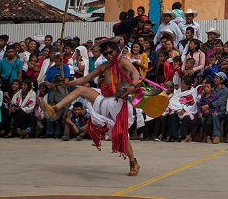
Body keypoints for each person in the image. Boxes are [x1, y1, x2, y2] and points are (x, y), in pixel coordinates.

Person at [39, 36, 149, 176]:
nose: (109, 56)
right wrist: (66, 83)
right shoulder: (104, 66)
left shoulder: (123, 61)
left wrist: (133, 86)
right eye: (106, 54)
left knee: (121, 134)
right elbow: (85, 79)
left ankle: (133, 162)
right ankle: (54, 109)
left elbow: (135, 72)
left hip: (118, 102)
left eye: (111, 52)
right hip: (104, 97)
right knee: (80, 89)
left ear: (116, 50)